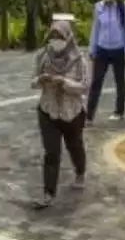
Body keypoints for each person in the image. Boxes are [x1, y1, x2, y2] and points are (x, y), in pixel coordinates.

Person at [32, 17, 90, 209]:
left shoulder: (79, 59)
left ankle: (80, 171)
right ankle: (48, 193)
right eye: (53, 36)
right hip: (48, 110)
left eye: (60, 36)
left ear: (68, 37)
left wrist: (63, 82)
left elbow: (84, 86)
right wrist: (41, 79)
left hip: (71, 112)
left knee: (75, 146)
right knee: (51, 152)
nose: (56, 40)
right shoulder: (43, 56)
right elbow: (32, 81)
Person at [85, 0, 125, 123]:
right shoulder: (98, 7)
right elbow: (95, 29)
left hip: (119, 49)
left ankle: (119, 111)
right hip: (102, 49)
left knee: (120, 81)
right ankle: (89, 115)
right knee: (96, 81)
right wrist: (92, 48)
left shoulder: (123, 7)